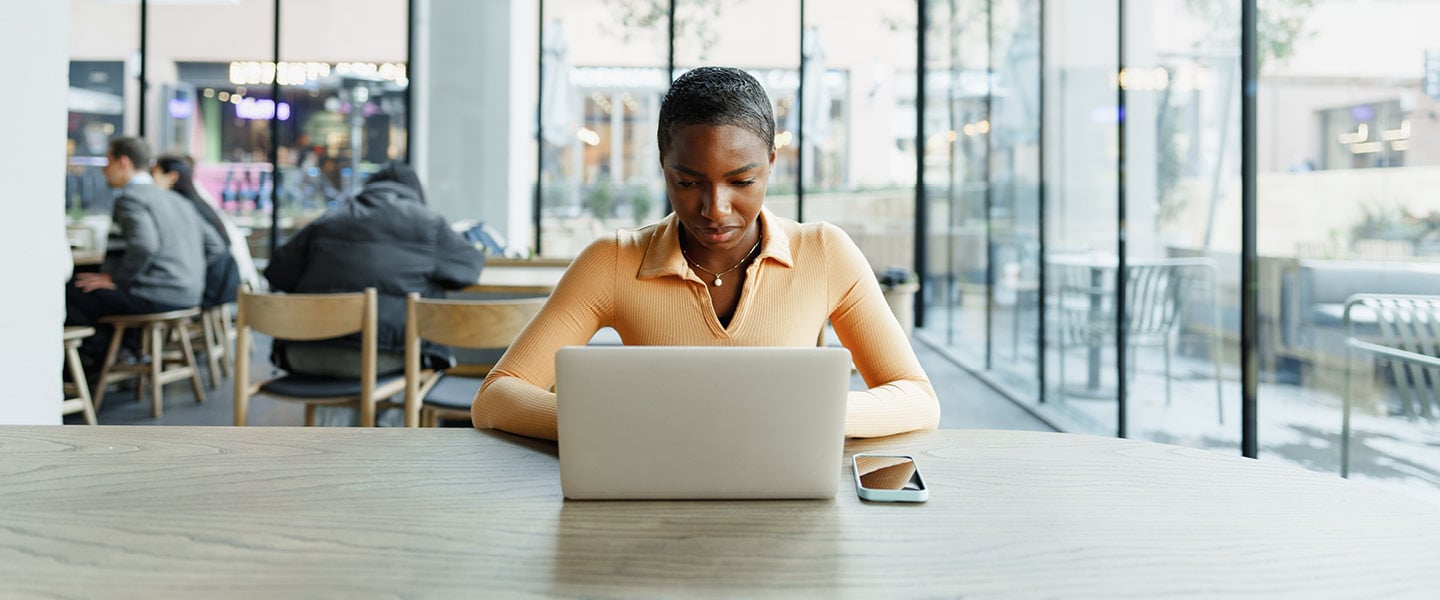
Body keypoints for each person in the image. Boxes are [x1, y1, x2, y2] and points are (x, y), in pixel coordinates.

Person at [472, 66, 940, 441]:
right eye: (688, 182)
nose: (715, 210)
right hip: (653, 507)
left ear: (771, 164)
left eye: (741, 181)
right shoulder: (612, 261)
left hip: (784, 509)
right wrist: (619, 425)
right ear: (663, 166)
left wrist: (806, 418)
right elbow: (496, 396)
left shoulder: (825, 252)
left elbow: (918, 398)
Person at [264, 161, 485, 425]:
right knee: (409, 355)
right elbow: (470, 267)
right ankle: (384, 443)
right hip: (381, 356)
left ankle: (333, 444)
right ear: (415, 191)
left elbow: (277, 273)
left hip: (304, 353)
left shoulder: (329, 220)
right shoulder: (428, 223)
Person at [65, 137, 227, 366]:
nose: (103, 170)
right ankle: (129, 351)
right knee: (98, 290)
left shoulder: (130, 199)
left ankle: (115, 356)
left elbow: (144, 245)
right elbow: (215, 247)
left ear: (123, 162)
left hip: (157, 295)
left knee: (71, 292)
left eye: (107, 162)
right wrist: (186, 273)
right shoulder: (177, 199)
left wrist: (117, 278)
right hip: (189, 296)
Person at [151, 154, 242, 309]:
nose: (150, 181)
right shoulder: (197, 201)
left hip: (208, 287)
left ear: (172, 177)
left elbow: (215, 248)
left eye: (154, 174)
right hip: (224, 282)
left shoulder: (182, 207)